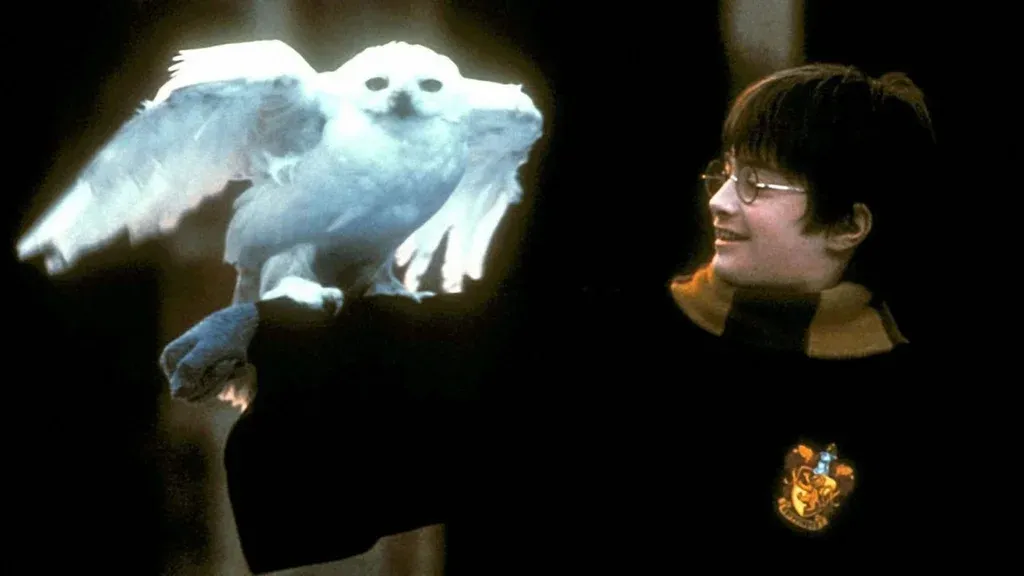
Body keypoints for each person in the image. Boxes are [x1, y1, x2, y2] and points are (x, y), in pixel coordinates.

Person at [165, 63, 940, 572]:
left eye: (759, 187)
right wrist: (268, 332)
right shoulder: (609, 343)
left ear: (850, 224)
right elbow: (427, 368)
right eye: (726, 174)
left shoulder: (912, 413)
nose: (721, 202)